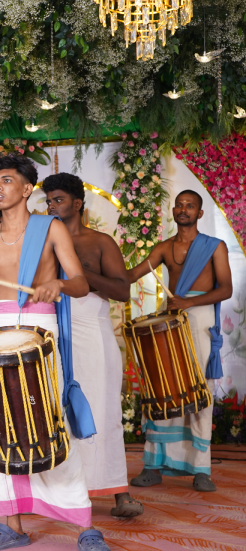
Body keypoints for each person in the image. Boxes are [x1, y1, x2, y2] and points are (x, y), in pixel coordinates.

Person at [0, 153, 111, 551]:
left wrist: (58, 286)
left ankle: (82, 524)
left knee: (49, 419)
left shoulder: (50, 228)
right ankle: (11, 524)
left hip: (41, 329)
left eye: (5, 180)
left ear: (26, 188)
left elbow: (82, 283)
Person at [43, 173, 143, 518]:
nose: (51, 206)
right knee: (57, 414)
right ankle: (64, 492)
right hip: (54, 336)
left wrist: (81, 279)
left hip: (94, 335)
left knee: (104, 413)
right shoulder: (41, 242)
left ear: (77, 203)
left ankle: (119, 493)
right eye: (48, 201)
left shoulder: (100, 242)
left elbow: (122, 290)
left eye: (58, 199)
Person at [127, 190, 232, 492]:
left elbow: (225, 288)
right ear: (173, 210)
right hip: (170, 321)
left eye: (190, 206)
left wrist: (188, 303)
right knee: (164, 386)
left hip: (198, 321)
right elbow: (132, 274)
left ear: (200, 213)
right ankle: (154, 465)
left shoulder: (215, 247)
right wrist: (93, 273)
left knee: (199, 390)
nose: (183, 209)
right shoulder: (164, 248)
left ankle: (201, 469)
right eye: (179, 204)